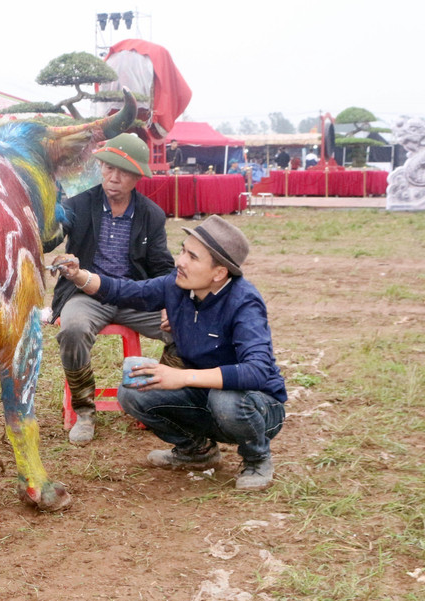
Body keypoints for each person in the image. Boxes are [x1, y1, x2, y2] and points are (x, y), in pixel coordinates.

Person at [51, 215, 286, 490]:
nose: (180, 261)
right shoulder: (176, 287)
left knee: (226, 400)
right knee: (134, 392)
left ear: (219, 273)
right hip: (206, 395)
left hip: (257, 405)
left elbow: (257, 371)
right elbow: (124, 291)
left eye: (193, 257)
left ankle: (257, 458)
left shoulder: (244, 302)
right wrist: (78, 275)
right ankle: (197, 451)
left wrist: (182, 378)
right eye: (183, 250)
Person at [50, 133, 177, 446]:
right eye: (108, 168)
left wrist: (172, 305)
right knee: (73, 329)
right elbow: (48, 238)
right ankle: (84, 410)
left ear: (137, 177)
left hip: (135, 294)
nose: (114, 177)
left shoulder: (151, 215)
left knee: (185, 327)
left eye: (123, 172)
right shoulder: (78, 205)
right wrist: (57, 248)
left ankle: (156, 400)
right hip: (87, 292)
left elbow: (162, 268)